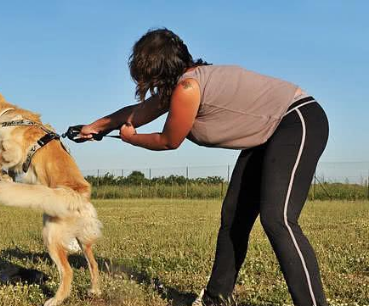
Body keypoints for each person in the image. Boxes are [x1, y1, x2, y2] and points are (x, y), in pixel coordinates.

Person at [77, 28, 328, 305]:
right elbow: (135, 114)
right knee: (234, 216)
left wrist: (132, 139)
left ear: (160, 68)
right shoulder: (181, 85)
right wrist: (94, 127)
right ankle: (215, 298)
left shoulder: (188, 88)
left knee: (277, 218)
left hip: (297, 120)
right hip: (267, 133)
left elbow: (169, 140)